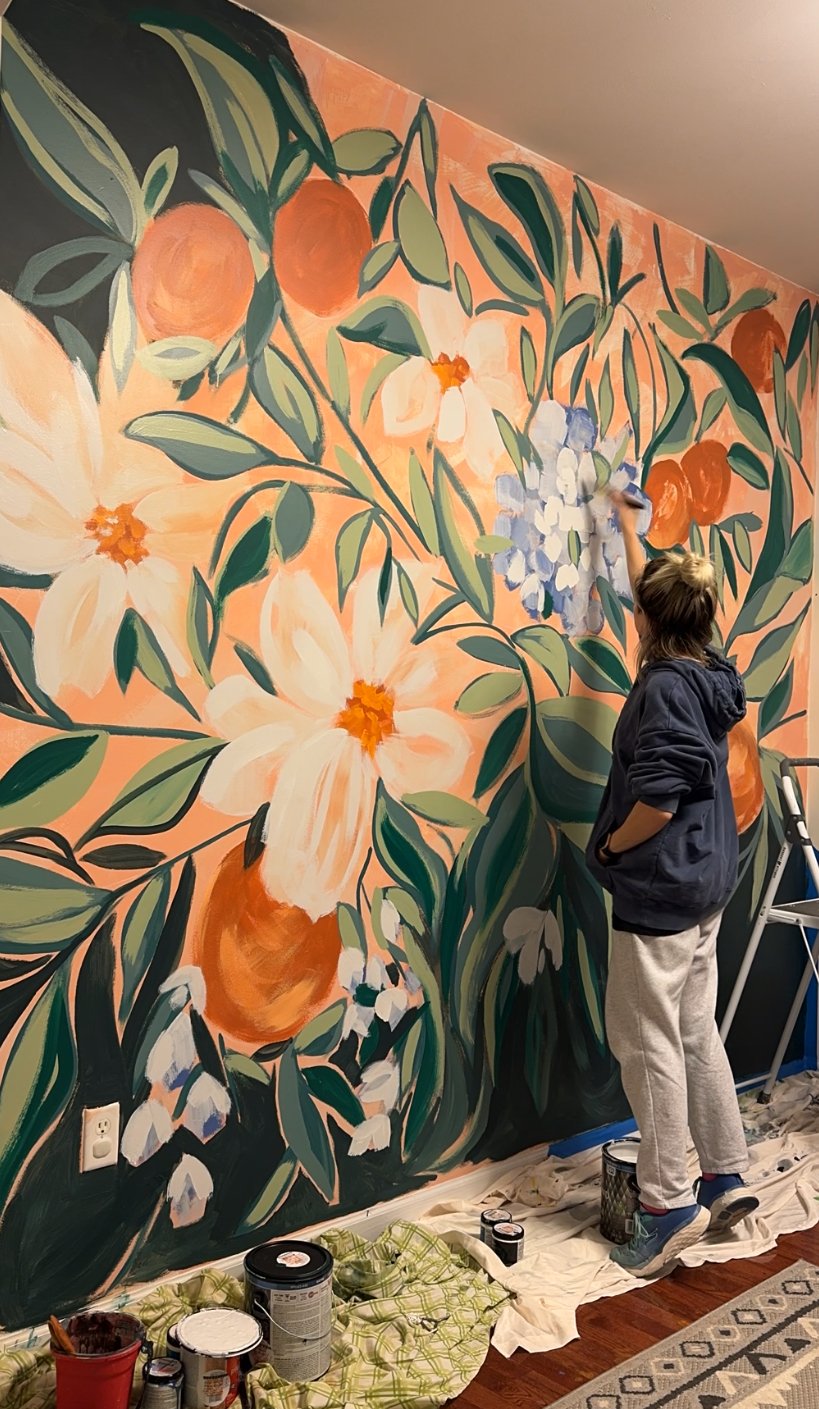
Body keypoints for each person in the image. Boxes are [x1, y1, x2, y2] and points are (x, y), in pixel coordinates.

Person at [587, 491, 759, 1278]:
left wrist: (611, 846)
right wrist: (624, 526)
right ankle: (723, 1177)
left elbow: (656, 799)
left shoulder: (659, 687)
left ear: (647, 621)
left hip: (659, 888)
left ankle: (666, 1206)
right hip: (706, 880)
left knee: (644, 1041)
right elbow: (655, 598)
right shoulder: (708, 670)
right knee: (693, 1028)